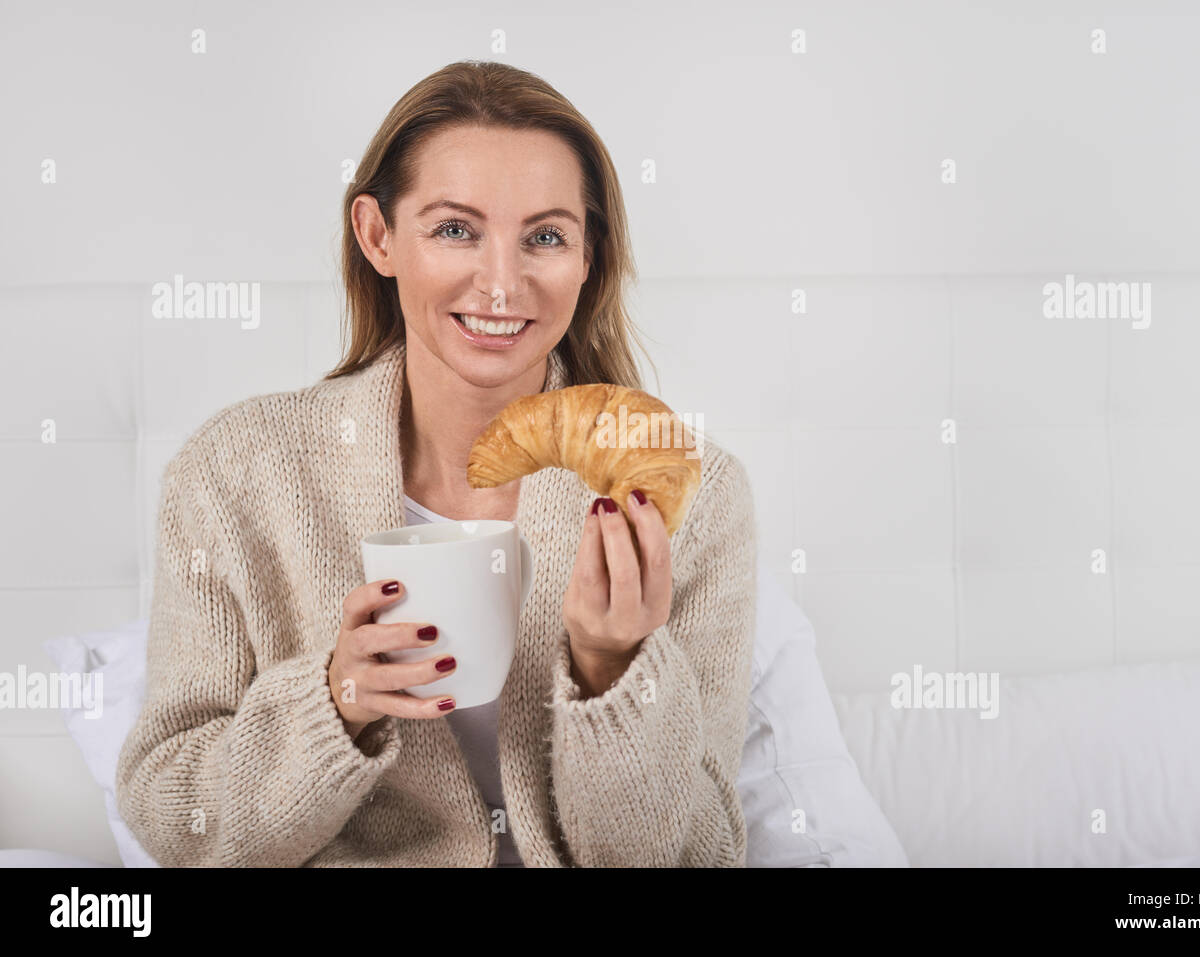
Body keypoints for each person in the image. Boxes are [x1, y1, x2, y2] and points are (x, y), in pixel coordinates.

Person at [115, 60, 758, 867]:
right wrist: (334, 704)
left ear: (588, 256)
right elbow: (172, 816)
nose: (500, 283)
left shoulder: (691, 497)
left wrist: (610, 670)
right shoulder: (236, 474)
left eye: (546, 236)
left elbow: (693, 855)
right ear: (378, 236)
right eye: (455, 229)